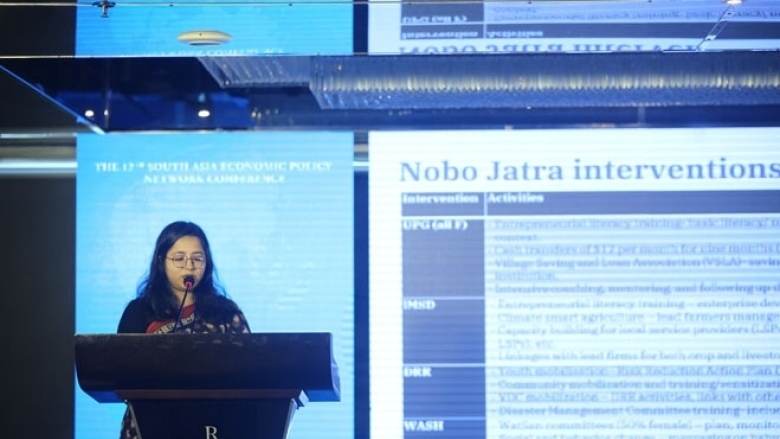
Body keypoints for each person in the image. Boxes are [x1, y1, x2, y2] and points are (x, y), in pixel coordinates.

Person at [116, 220, 250, 439]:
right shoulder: (139, 311)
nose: (189, 266)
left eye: (198, 259)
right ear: (161, 261)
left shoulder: (226, 312)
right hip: (149, 421)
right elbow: (121, 369)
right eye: (179, 259)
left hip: (214, 424)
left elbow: (249, 369)